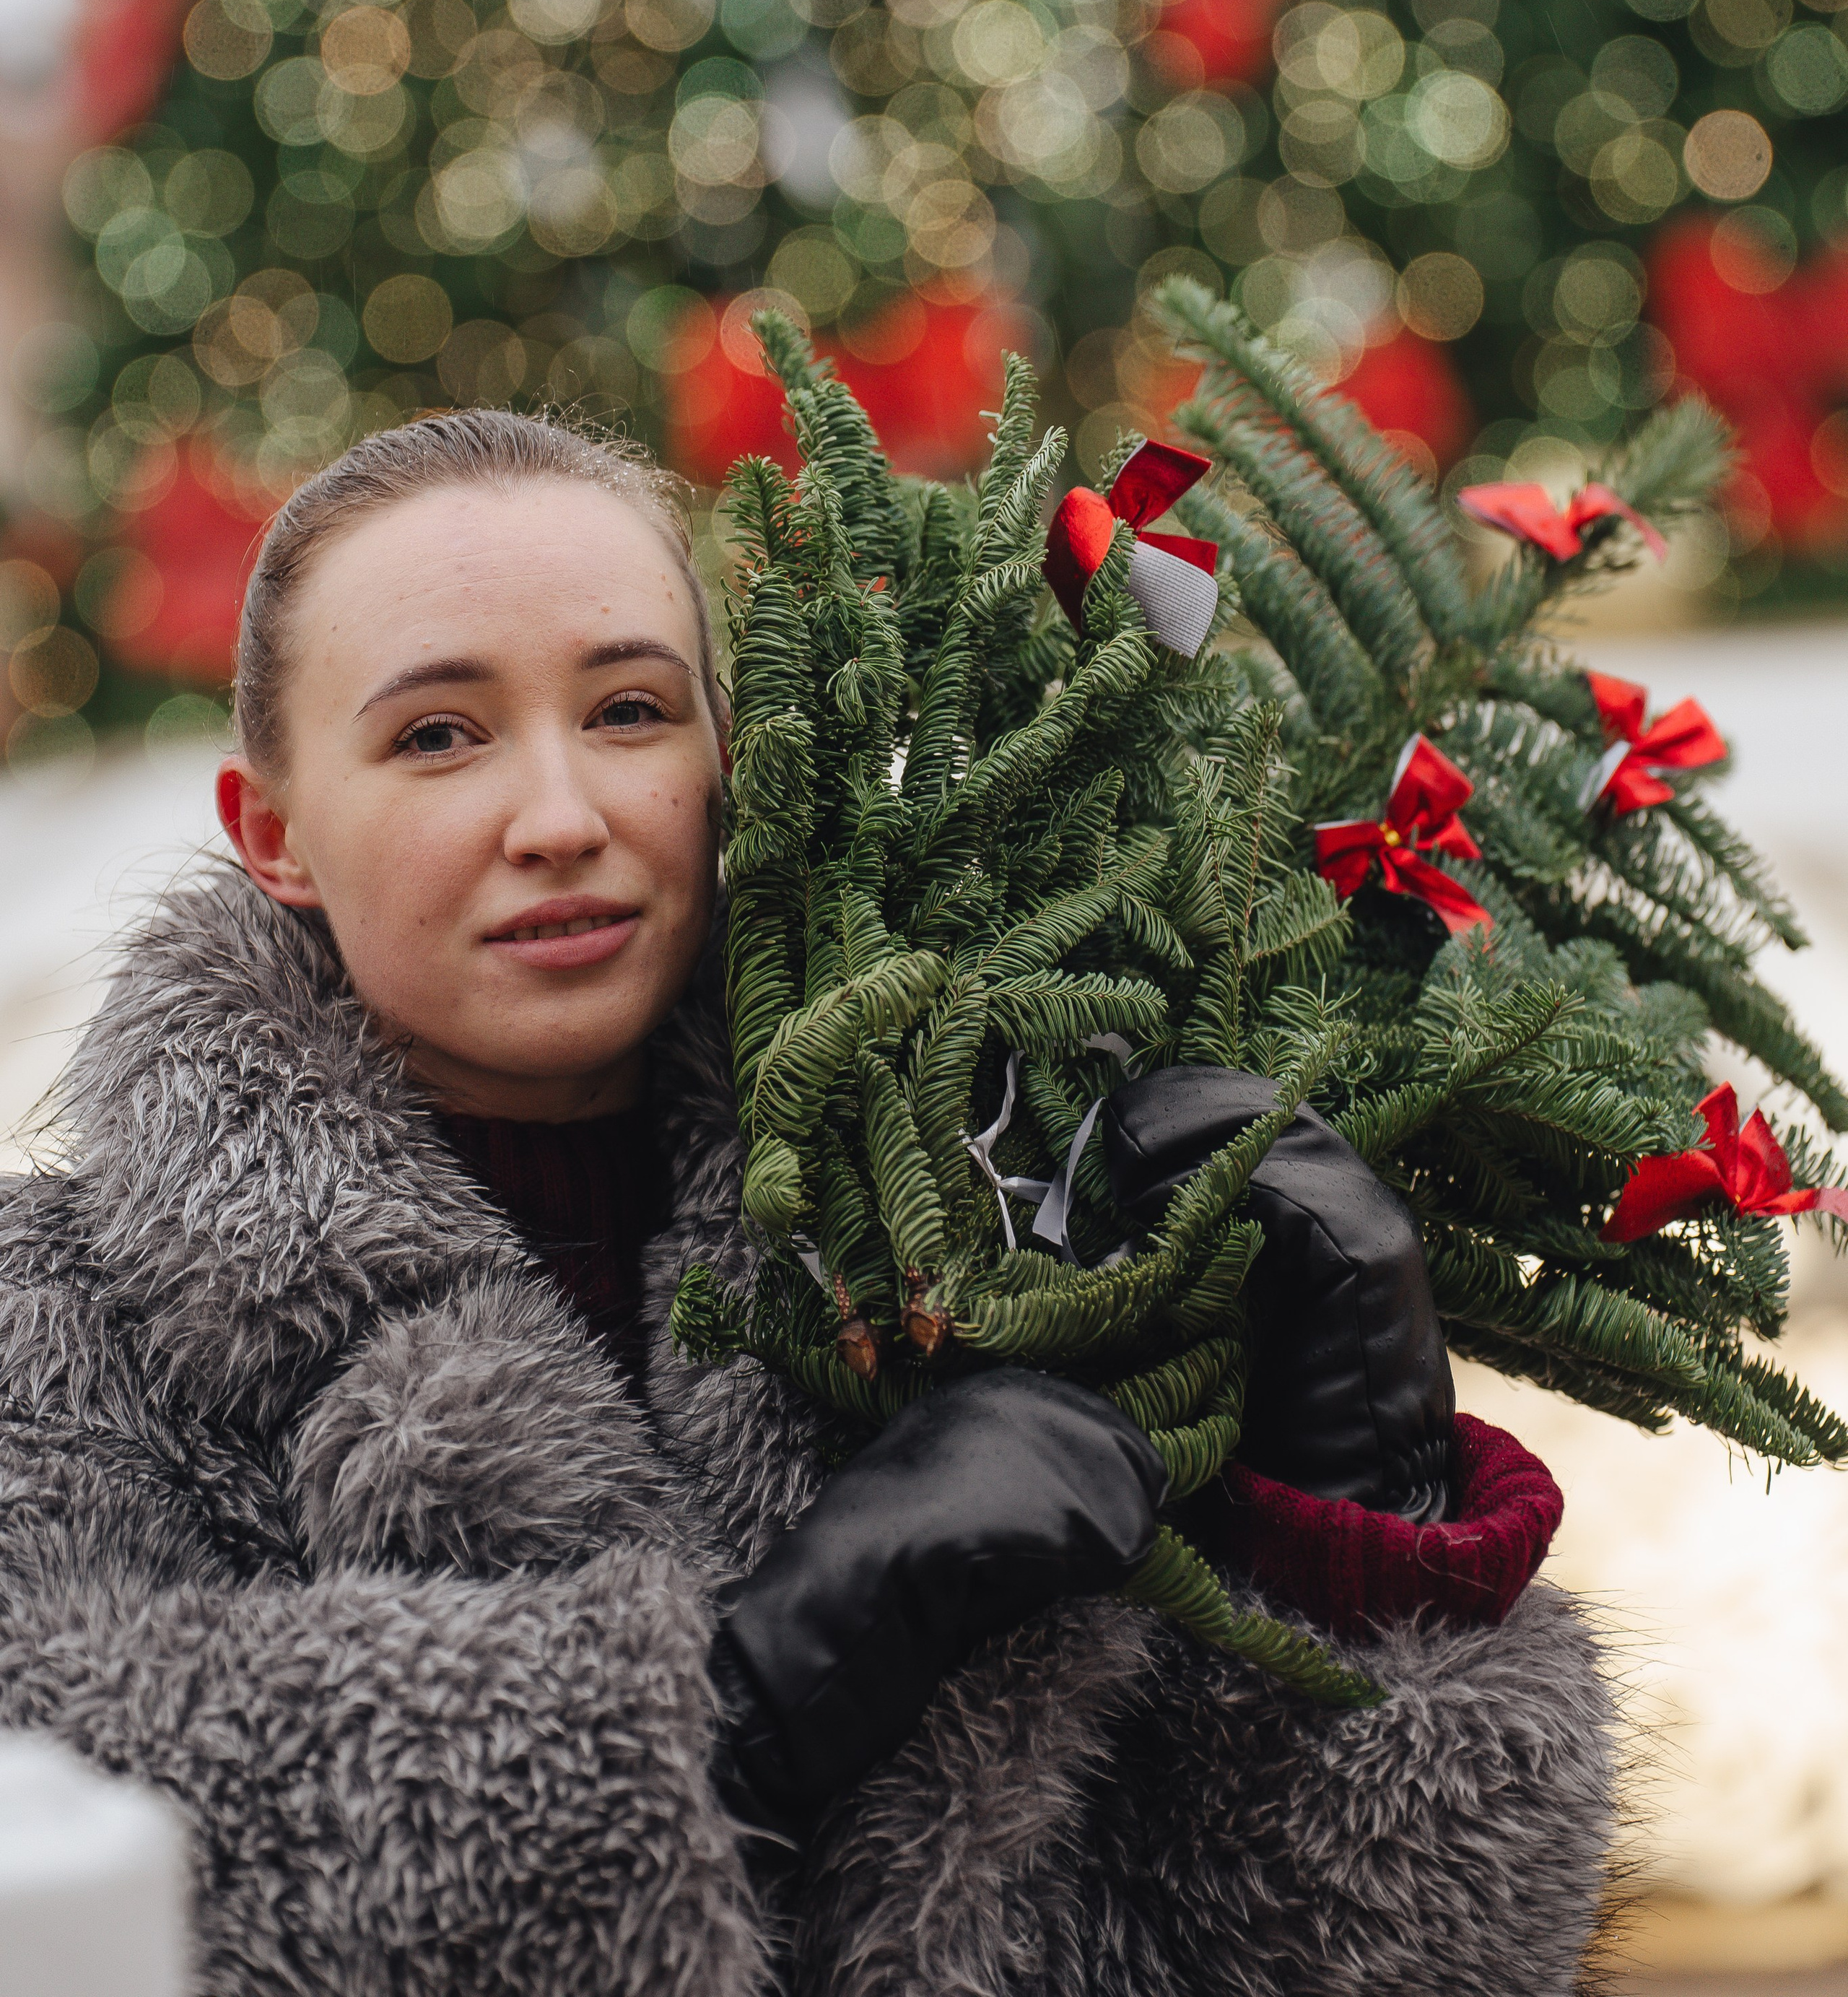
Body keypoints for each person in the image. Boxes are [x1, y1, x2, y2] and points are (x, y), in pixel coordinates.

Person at [0, 412, 1613, 1997]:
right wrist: (745, 1698)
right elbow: (88, 1844)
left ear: (728, 756)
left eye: (629, 710)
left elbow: (1368, 1952)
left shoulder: (985, 1244)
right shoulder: (59, 1332)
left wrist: (1368, 1514)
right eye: (439, 735)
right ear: (274, 833)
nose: (562, 818)